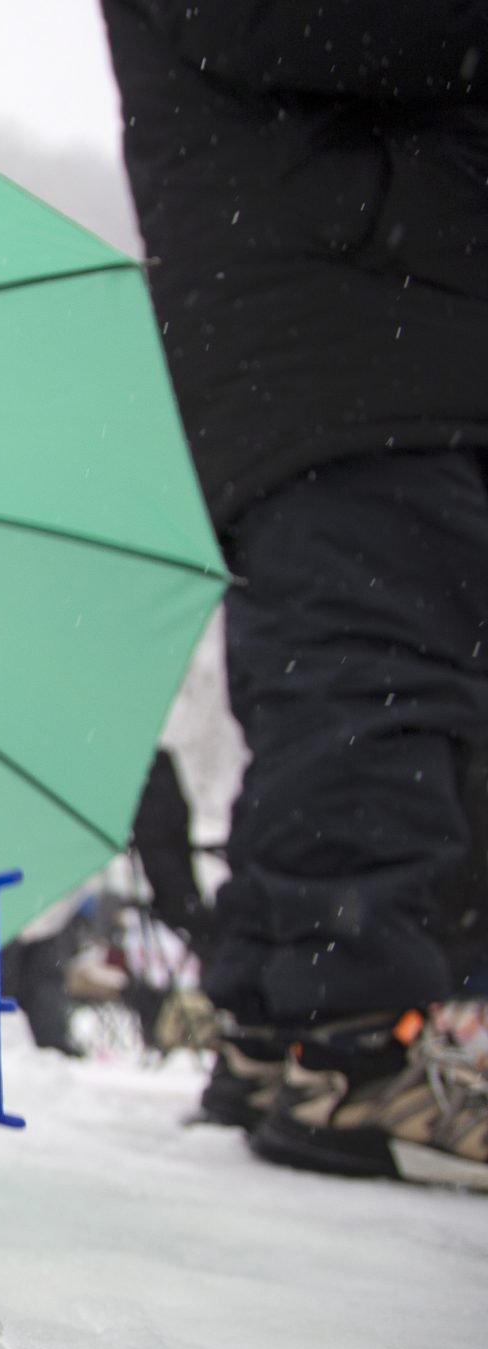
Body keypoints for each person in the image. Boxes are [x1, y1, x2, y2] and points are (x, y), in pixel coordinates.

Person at [103, 0, 488, 1187]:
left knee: (344, 671)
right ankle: (349, 1038)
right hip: (343, 325)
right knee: (376, 673)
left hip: (348, 321)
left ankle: (282, 1027)